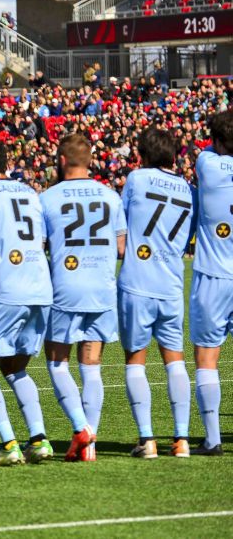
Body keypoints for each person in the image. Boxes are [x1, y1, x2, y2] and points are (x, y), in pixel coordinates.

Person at [40, 134, 127, 462]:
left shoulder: (47, 198)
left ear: (62, 160)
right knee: (91, 367)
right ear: (89, 160)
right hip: (102, 289)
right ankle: (89, 442)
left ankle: (81, 428)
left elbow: (37, 245)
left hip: (65, 288)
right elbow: (121, 248)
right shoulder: (111, 197)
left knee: (57, 362)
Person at [0, 137, 54, 465]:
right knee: (15, 367)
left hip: (8, 289)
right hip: (40, 288)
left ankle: (8, 444)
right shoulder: (29, 193)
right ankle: (40, 439)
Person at [117, 127, 194, 459]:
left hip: (137, 280)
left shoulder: (136, 179)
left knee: (136, 359)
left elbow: (120, 232)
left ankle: (147, 440)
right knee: (174, 359)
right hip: (172, 283)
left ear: (143, 155)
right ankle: (182, 440)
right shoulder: (189, 190)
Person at [189, 110, 233, 455]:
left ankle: (213, 439)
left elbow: (205, 151)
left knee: (206, 358)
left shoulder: (206, 162)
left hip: (214, 275)